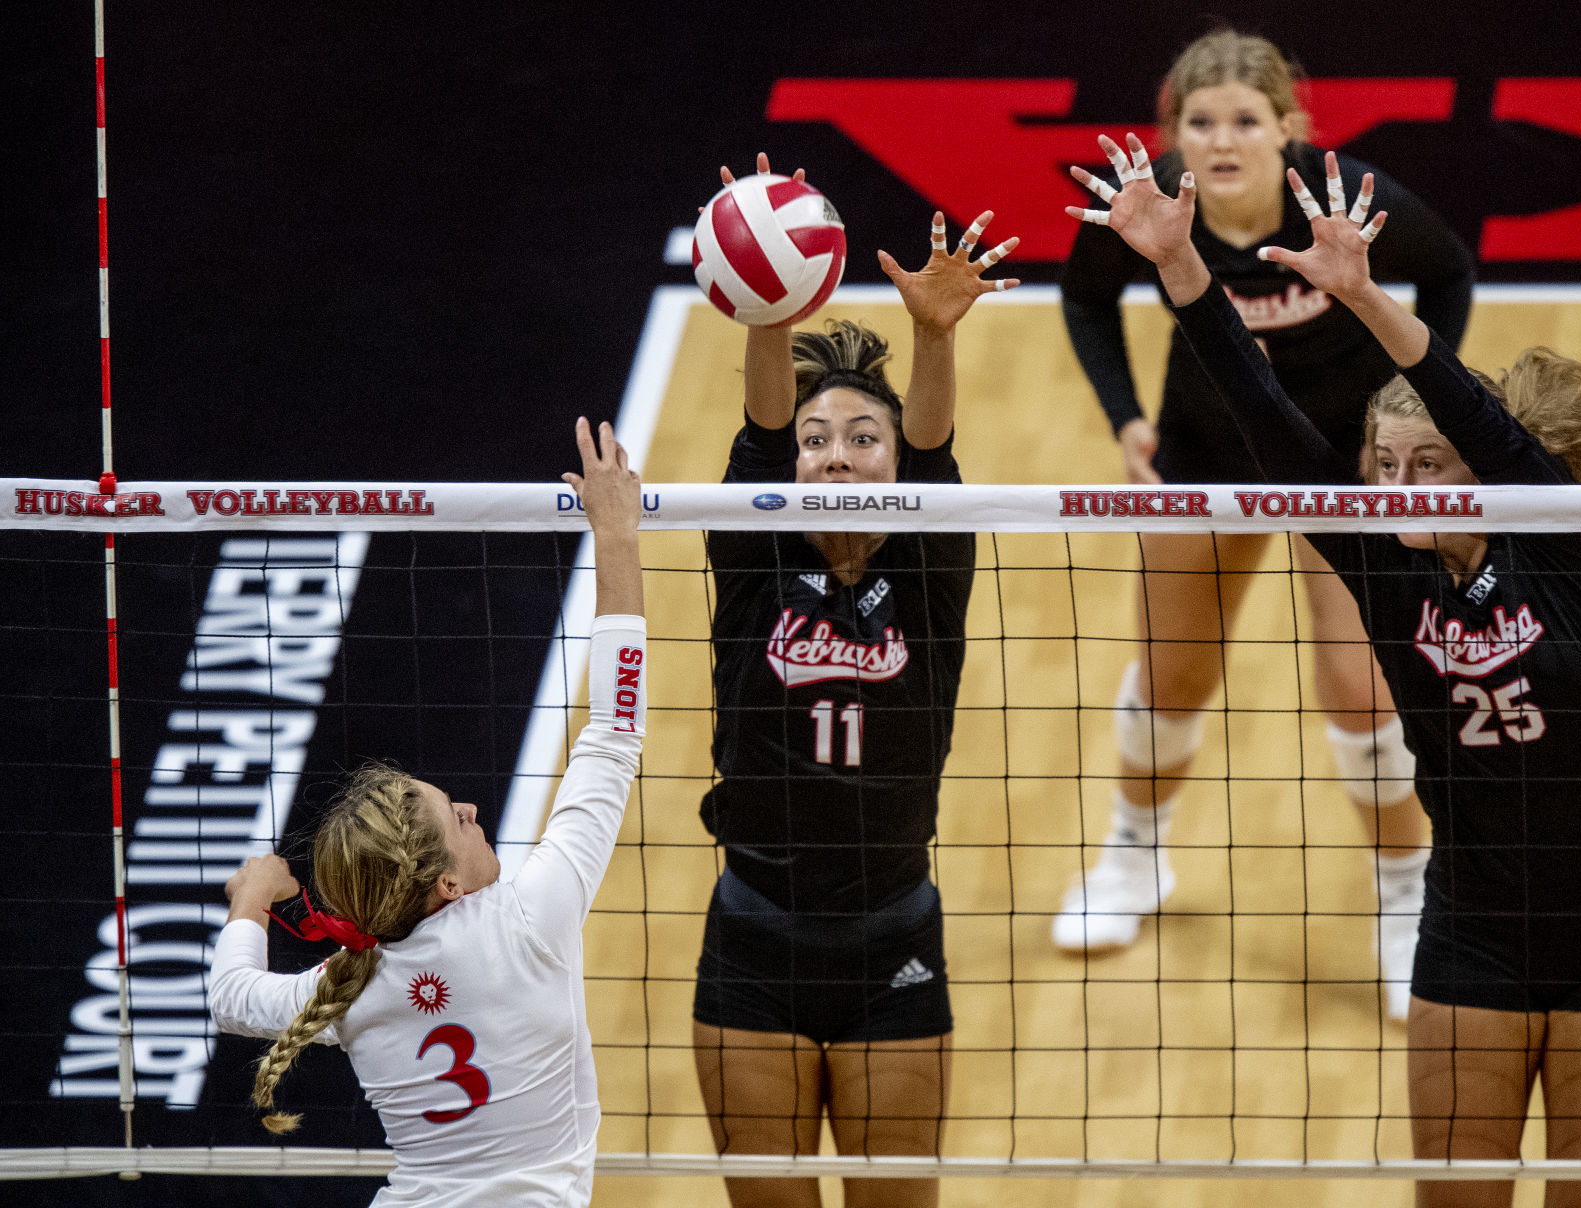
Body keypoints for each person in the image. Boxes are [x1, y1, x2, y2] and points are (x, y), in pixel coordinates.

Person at [1069, 131, 1581, 1208]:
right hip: (1472, 928)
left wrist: (1359, 297)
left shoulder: (1547, 537)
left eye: (1425, 465)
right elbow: (1261, 418)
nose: (1399, 488)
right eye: (1383, 467)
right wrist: (1177, 268)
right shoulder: (1384, 576)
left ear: (1481, 471)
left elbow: (1472, 409)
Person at [1055, 30, 1475, 1020]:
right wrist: (1125, 418)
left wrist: (1421, 408)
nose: (1222, 138)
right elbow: (1082, 295)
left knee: (1357, 689)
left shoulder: (1343, 202)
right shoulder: (1151, 203)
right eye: (1200, 122)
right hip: (1203, 455)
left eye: (1245, 119)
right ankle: (1132, 856)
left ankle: (1404, 895)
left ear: (1286, 128)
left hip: (1338, 460)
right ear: (1173, 136)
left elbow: (1447, 270)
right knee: (1172, 674)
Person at [209, 417, 646, 1207]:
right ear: (444, 884)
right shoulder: (530, 917)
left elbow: (234, 1000)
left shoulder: (349, 982)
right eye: (459, 818)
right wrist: (615, 533)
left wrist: (248, 901)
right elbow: (613, 735)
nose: (474, 809)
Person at [692, 154, 1017, 1208]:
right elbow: (759, 438)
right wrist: (767, 307)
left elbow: (934, 453)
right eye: (818, 439)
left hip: (891, 944)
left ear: (894, 463)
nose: (834, 454)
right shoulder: (753, 559)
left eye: (861, 437)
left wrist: (930, 337)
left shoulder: (929, 570)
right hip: (752, 938)